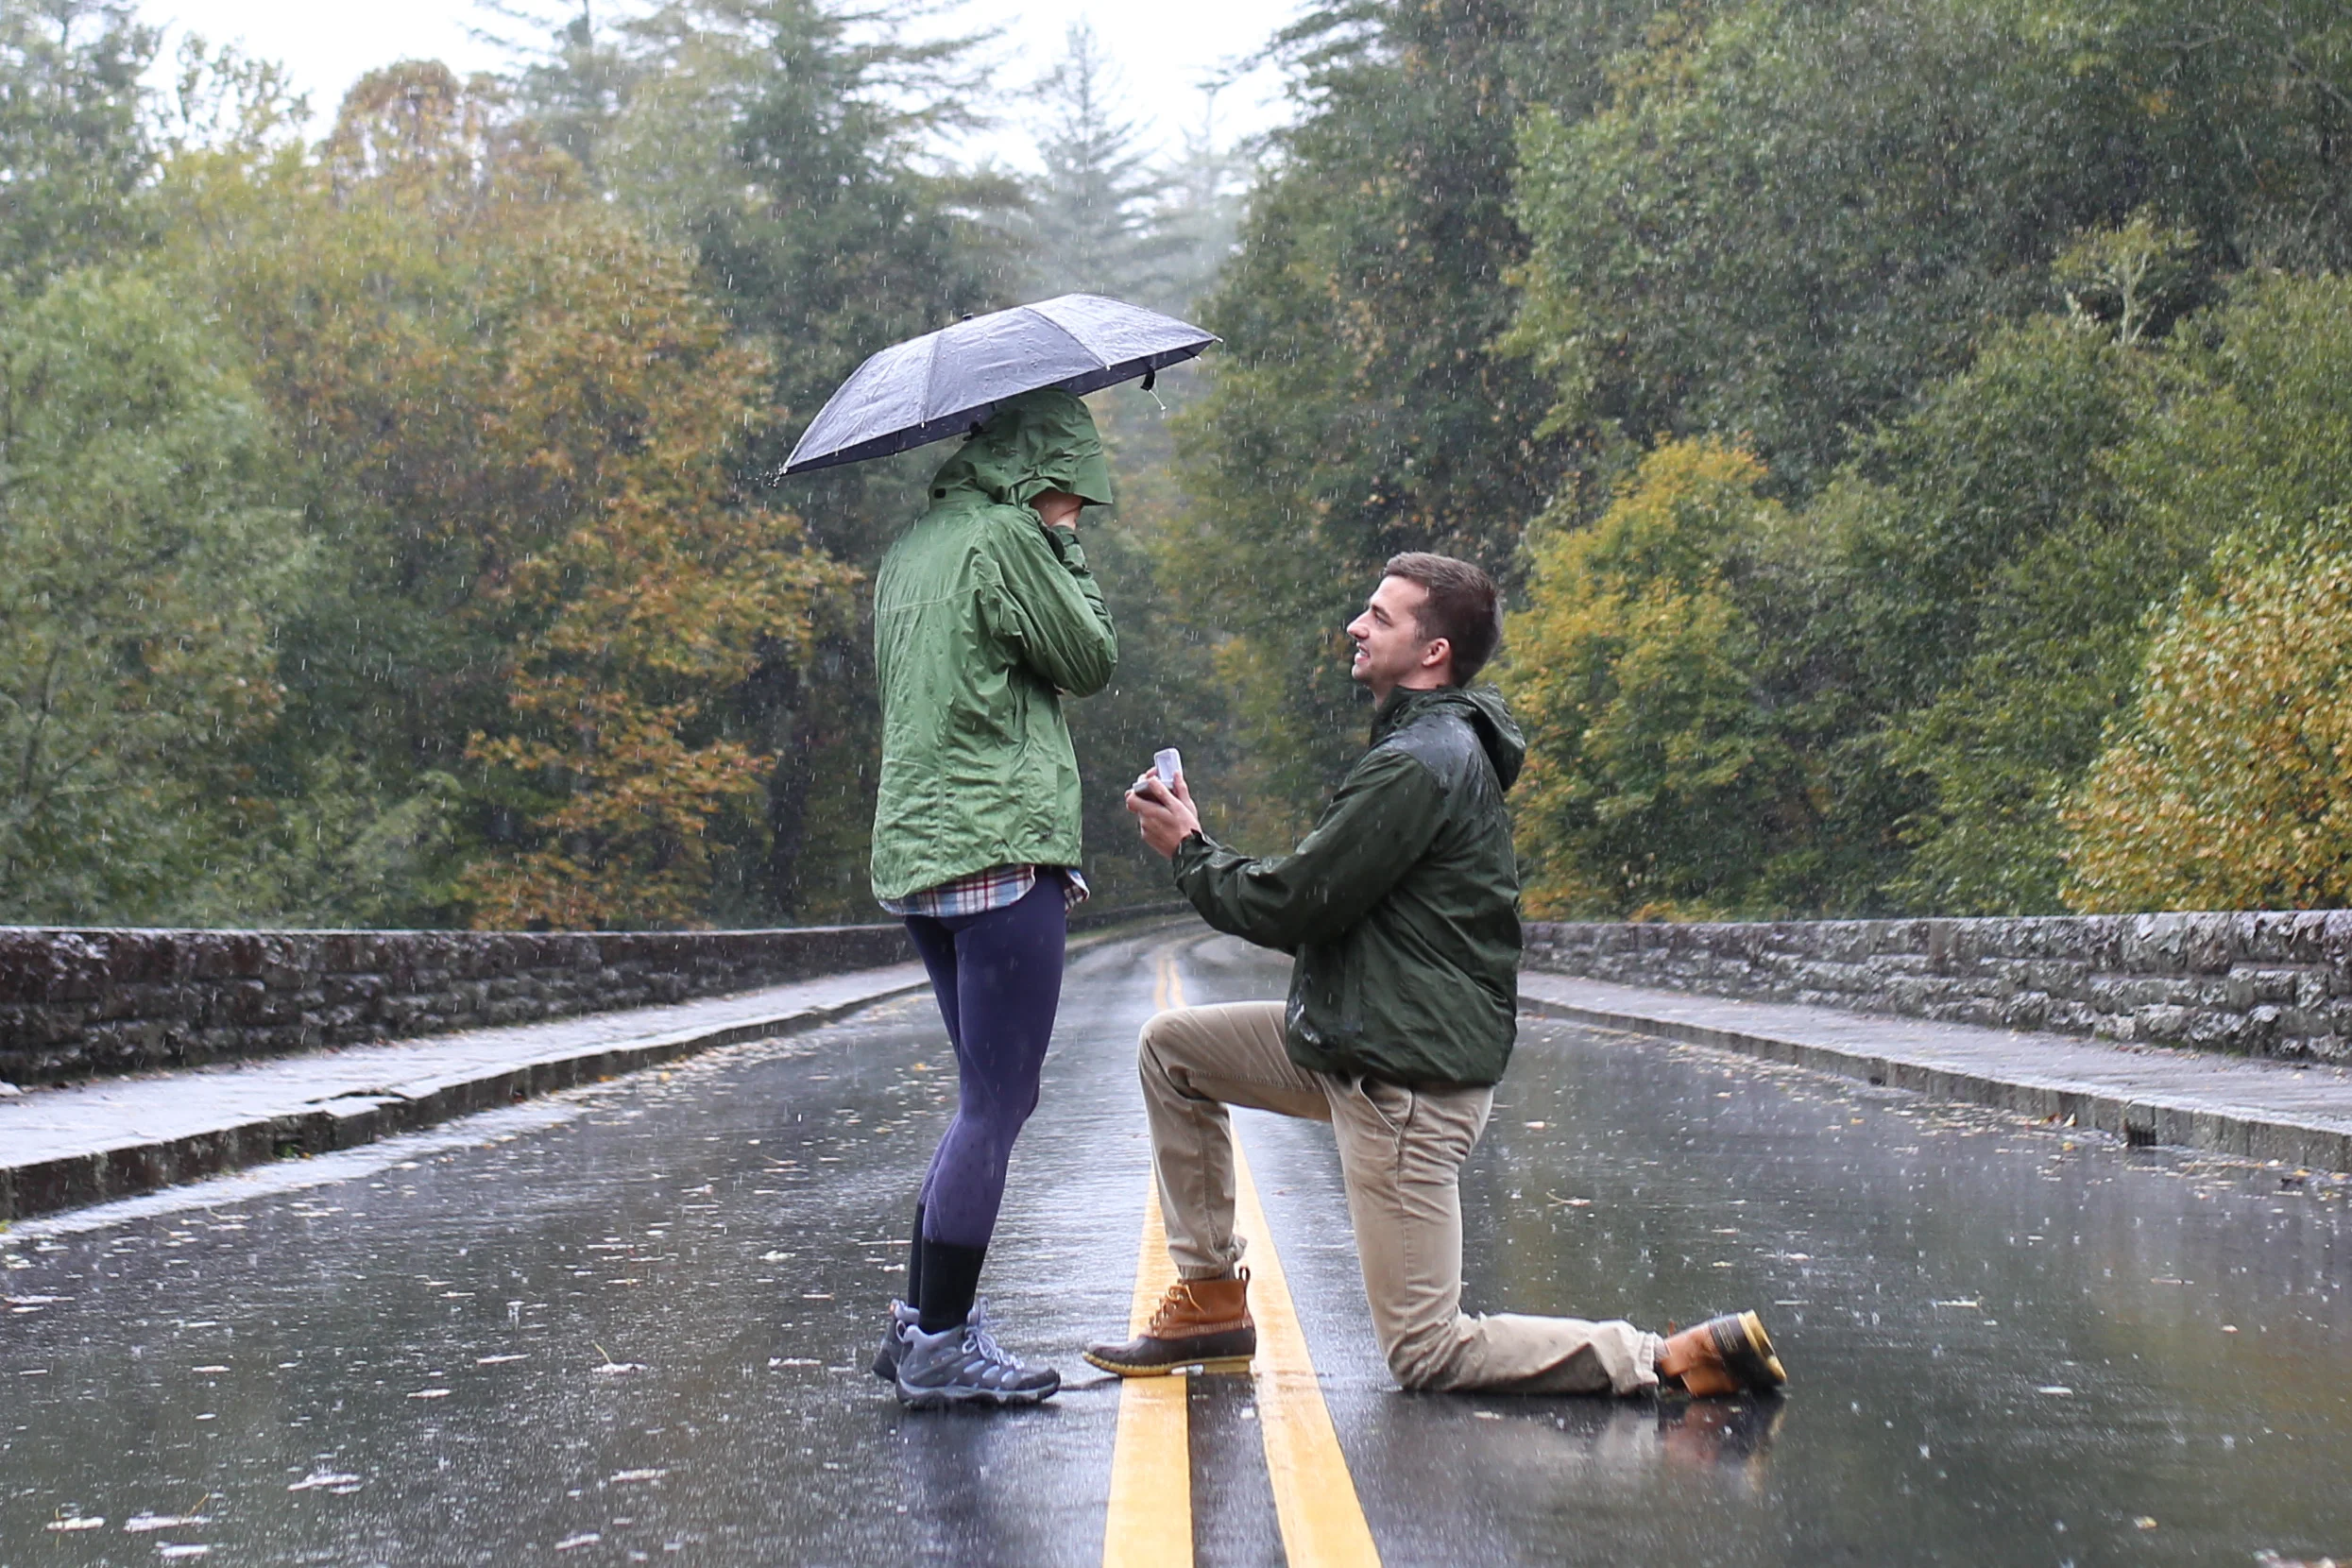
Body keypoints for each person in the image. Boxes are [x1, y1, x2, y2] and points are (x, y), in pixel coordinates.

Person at [1089, 553, 1786, 1400]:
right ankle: (1207, 1301)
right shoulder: (1421, 750)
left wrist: (1190, 854)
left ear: (1433, 655)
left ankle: (1662, 1359)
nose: (1356, 625)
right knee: (1174, 1051)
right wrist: (1198, 846)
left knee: (1426, 1351)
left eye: (1381, 618)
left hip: (1403, 1079)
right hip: (1361, 1038)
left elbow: (1297, 902)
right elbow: (1324, 890)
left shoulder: (1422, 762)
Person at [865, 388, 1118, 1409]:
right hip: (1001, 843)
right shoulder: (1012, 537)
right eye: (1074, 495)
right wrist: (1061, 547)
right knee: (996, 1101)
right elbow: (1090, 658)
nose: (1077, 509)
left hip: (920, 851)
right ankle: (940, 1338)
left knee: (985, 1096)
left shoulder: (913, 547)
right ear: (1044, 472)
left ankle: (920, 1326)